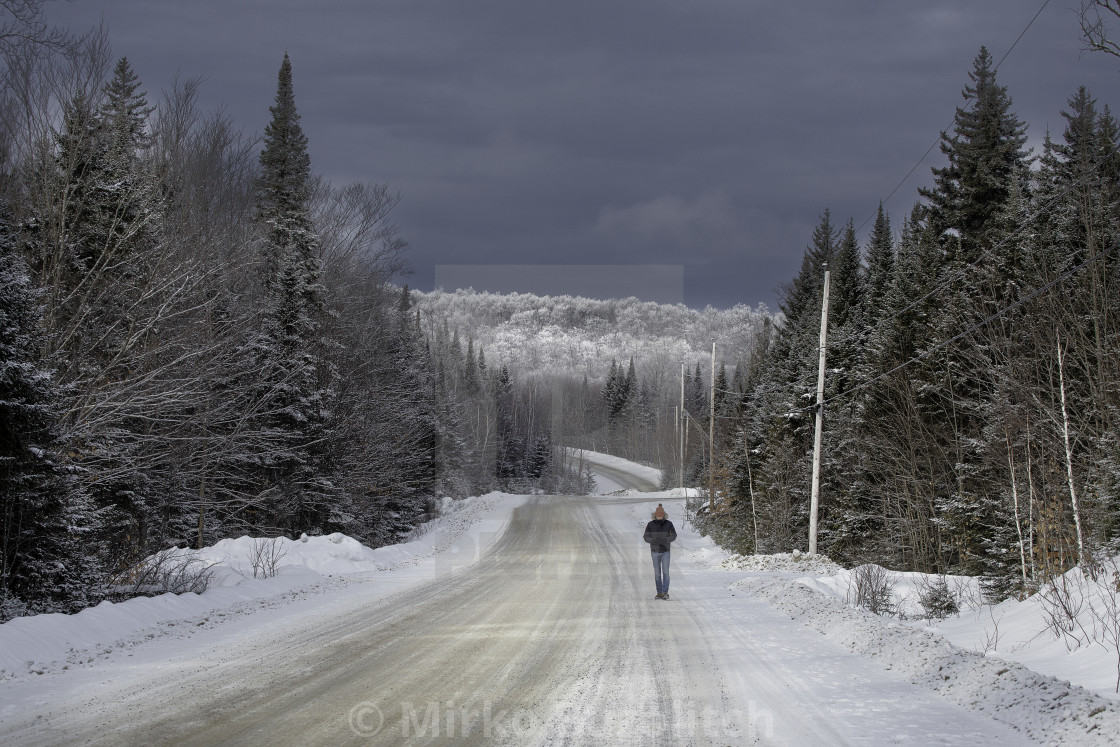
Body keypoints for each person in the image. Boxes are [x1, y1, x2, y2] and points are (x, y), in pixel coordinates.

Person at [643, 503, 677, 600]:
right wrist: (653, 540)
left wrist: (666, 540)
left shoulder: (669, 524)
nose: (659, 516)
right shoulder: (650, 524)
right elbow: (646, 537)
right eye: (658, 514)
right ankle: (659, 592)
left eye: (661, 514)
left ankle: (665, 592)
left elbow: (674, 535)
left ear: (663, 514)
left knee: (666, 572)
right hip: (654, 551)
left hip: (666, 551)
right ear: (655, 514)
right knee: (657, 573)